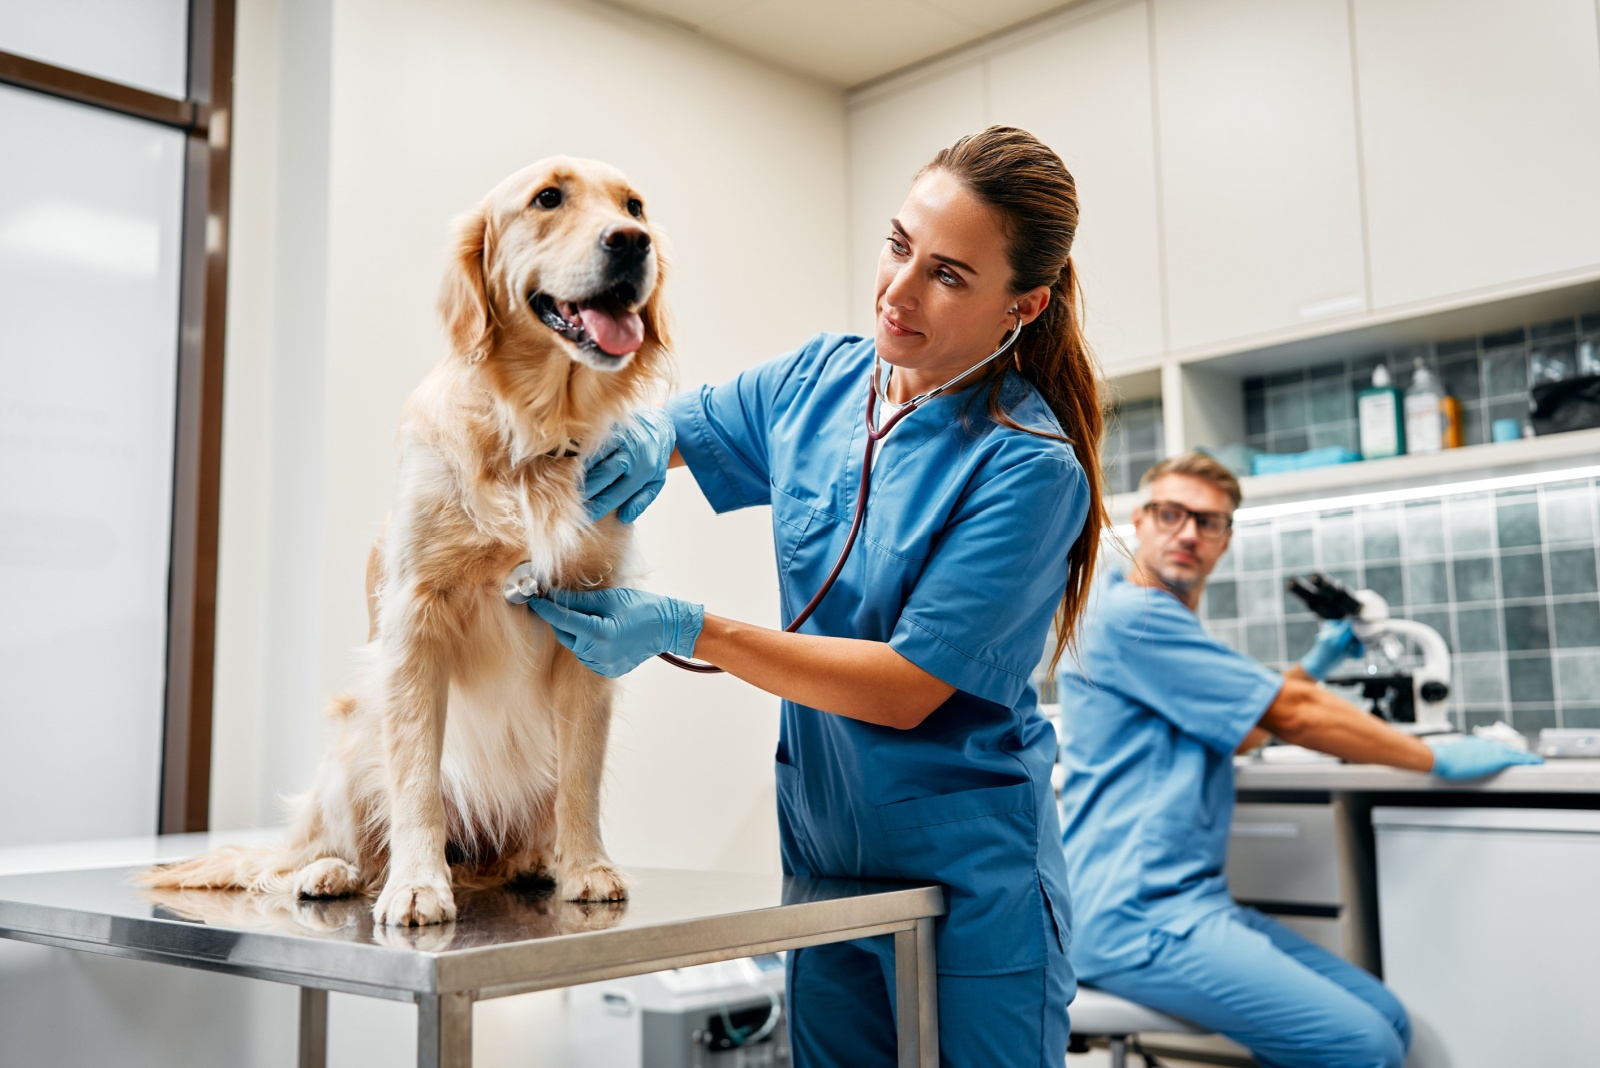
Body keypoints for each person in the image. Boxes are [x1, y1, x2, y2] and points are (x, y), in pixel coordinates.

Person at [521, 126, 1102, 1067]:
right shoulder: (821, 381)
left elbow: (906, 686)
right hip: (830, 863)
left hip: (969, 888)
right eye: (898, 244)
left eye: (949, 275)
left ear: (1022, 305)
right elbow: (679, 422)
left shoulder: (1026, 467)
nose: (899, 292)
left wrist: (692, 630)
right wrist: (626, 441)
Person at [1057, 452, 1542, 1068]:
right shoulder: (1135, 617)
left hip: (1189, 903)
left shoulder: (1153, 618)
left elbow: (1240, 729)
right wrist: (1430, 756)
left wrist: (1312, 667)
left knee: (1390, 1021)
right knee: (1361, 1046)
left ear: (1226, 539)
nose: (1188, 533)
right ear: (1140, 519)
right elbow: (1292, 715)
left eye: (1209, 522)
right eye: (1171, 513)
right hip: (1134, 917)